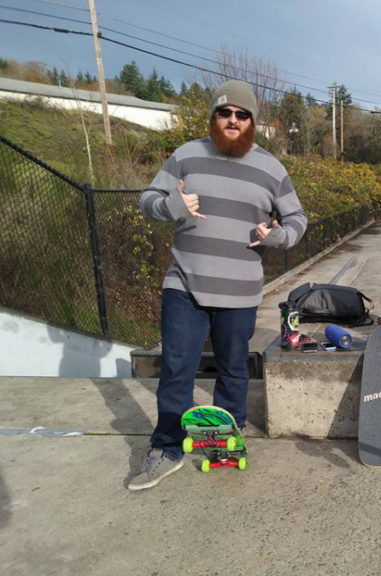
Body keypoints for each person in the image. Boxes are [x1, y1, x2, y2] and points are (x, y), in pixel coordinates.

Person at [129, 80, 308, 490]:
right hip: (185, 284)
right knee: (177, 368)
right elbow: (147, 200)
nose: (232, 120)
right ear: (213, 117)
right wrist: (171, 205)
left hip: (240, 290)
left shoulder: (271, 169)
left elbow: (297, 221)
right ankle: (167, 447)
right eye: (224, 113)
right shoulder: (186, 156)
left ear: (252, 123)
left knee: (232, 369)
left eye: (242, 115)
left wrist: (276, 236)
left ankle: (228, 438)